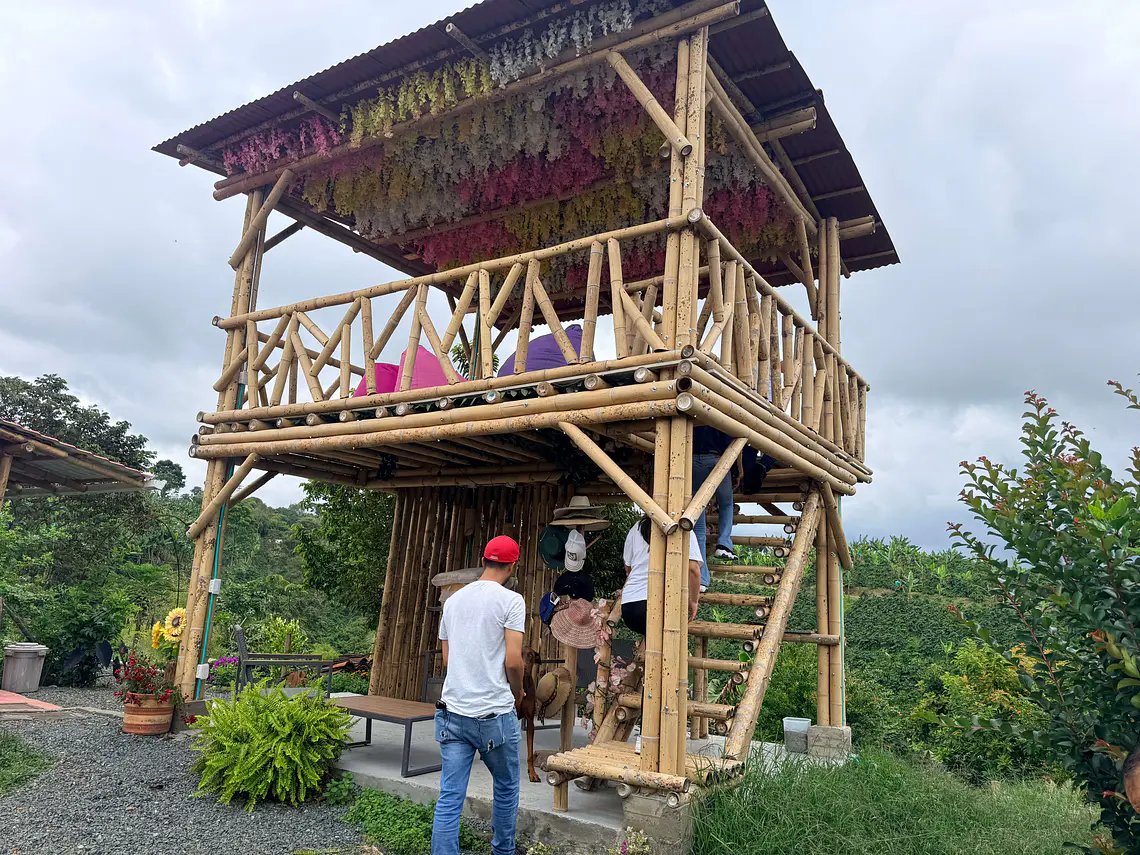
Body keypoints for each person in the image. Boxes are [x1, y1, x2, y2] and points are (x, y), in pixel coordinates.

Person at [432, 535, 526, 855]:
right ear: (512, 565)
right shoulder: (511, 601)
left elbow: (447, 660)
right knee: (506, 785)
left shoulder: (453, 601)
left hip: (452, 712)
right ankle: (502, 850)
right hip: (493, 715)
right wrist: (519, 692)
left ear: (484, 561)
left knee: (450, 796)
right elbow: (513, 661)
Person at [620, 517, 702, 635]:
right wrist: (693, 601)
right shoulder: (683, 527)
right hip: (660, 604)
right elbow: (693, 569)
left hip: (630, 606)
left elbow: (628, 567)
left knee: (652, 645)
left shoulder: (637, 527)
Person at [692, 425, 738, 591]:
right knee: (725, 503)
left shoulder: (691, 408)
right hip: (716, 460)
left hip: (689, 461)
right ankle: (724, 543)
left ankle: (702, 580)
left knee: (698, 518)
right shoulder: (719, 408)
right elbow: (733, 439)